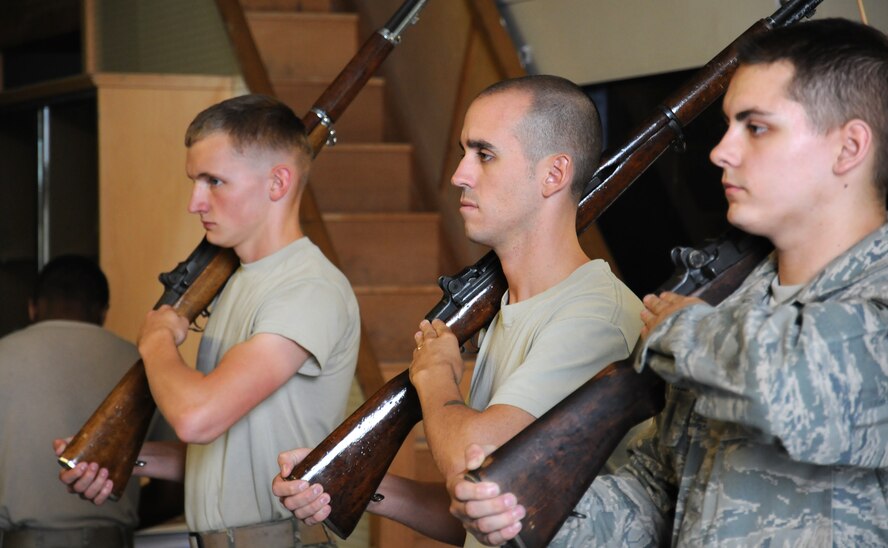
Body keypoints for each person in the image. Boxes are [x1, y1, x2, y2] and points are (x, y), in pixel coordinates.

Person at [450, 17, 888, 546]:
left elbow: (794, 390)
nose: (720, 151)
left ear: (849, 148)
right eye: (728, 125)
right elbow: (657, 493)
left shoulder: (709, 327)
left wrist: (680, 331)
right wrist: (527, 510)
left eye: (756, 127)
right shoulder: (726, 310)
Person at [273, 75, 644, 544]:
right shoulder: (510, 307)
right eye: (464, 152)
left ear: (554, 174)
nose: (459, 175)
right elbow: (478, 515)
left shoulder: (595, 318)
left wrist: (436, 379)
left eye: (484, 155)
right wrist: (344, 480)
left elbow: (477, 463)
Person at [57, 95, 360, 547]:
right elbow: (225, 454)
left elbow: (197, 418)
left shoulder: (308, 288)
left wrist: (157, 338)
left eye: (214, 181)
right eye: (195, 181)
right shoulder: (238, 283)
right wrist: (118, 456)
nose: (195, 203)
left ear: (278, 182)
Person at [0, 255, 146, 547]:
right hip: (112, 540)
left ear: (32, 307)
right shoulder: (140, 362)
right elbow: (173, 488)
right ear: (103, 312)